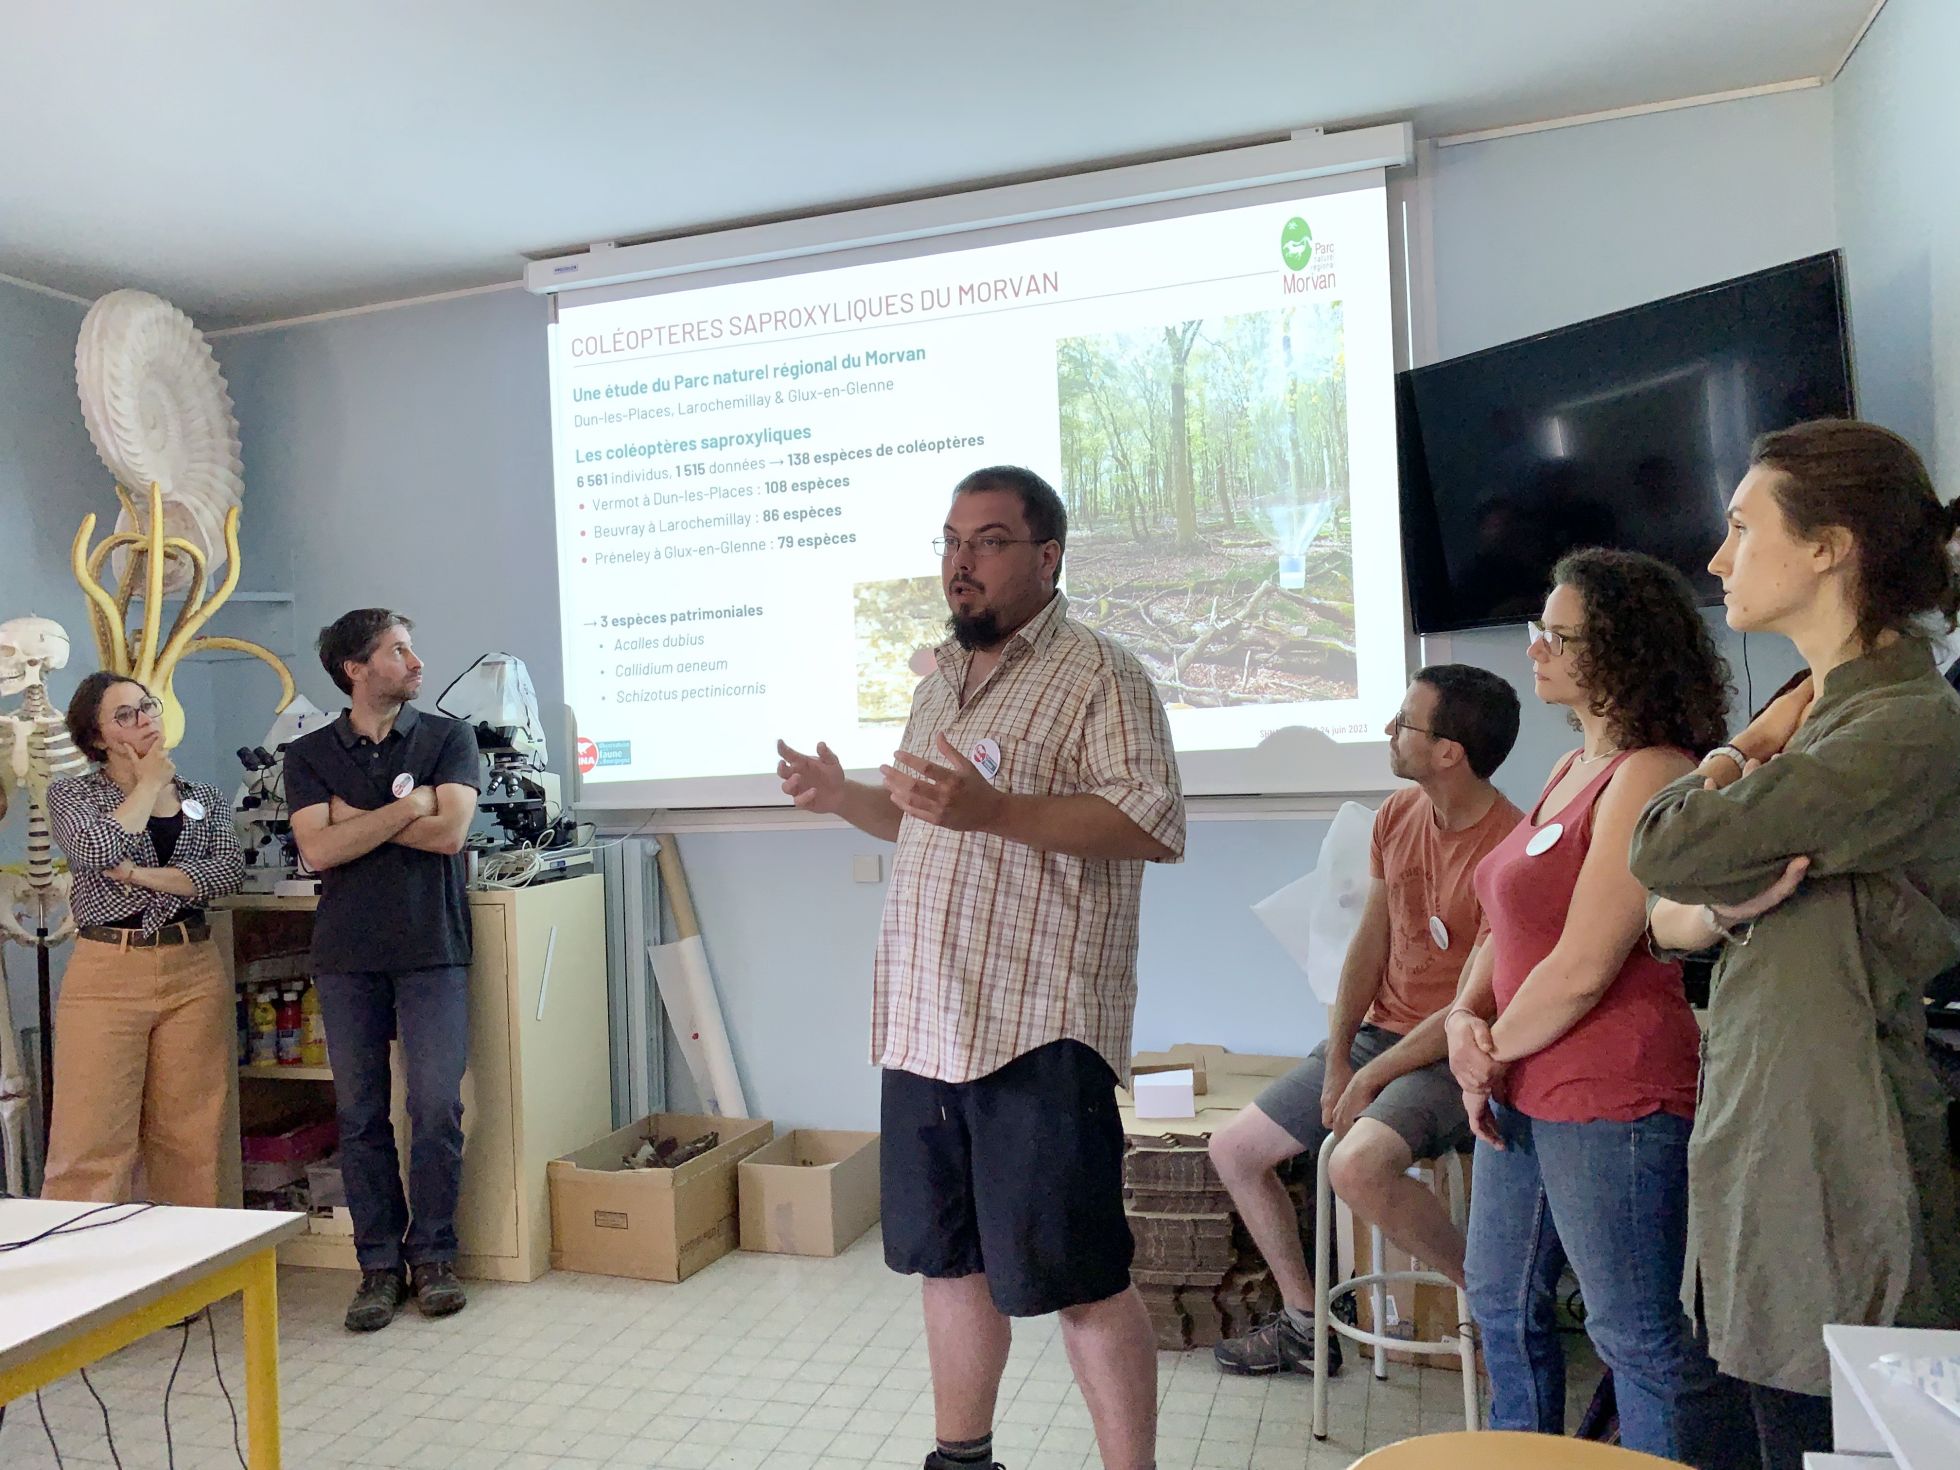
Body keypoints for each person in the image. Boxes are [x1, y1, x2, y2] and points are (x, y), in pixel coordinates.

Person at [776, 465, 1183, 1470]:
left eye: (988, 541)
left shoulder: (1102, 674)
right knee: (947, 1264)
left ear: (1047, 557)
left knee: (1082, 1277)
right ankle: (962, 1461)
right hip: (925, 1024)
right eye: (951, 542)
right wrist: (843, 797)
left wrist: (998, 810)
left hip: (1038, 1027)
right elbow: (921, 817)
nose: (962, 562)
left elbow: (1152, 822)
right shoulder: (938, 683)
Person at [1632, 419, 1960, 1470]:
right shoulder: (1829, 718)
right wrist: (1711, 905)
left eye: (1741, 527)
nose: (1718, 558)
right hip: (1780, 1140)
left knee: (1844, 1443)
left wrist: (1738, 750)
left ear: (1829, 546)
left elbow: (1664, 846)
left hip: (1844, 1165)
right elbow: (1666, 915)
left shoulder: (1898, 726)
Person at [1447, 548, 1730, 1465]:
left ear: (1623, 649)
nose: (1535, 651)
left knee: (1632, 1333)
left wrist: (1485, 1052)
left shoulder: (1652, 772)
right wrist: (1462, 1024)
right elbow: (1503, 924)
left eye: (1559, 637)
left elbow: (1583, 964)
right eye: (1542, 631)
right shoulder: (1572, 764)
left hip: (1613, 1091)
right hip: (1522, 1081)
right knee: (1500, 1301)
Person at [1206, 665, 1522, 1377]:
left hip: (1454, 1052)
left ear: (1449, 751)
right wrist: (1341, 1056)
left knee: (1355, 1166)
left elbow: (1471, 1003)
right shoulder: (1397, 815)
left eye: (1405, 722)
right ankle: (1304, 1323)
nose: (1388, 731)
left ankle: (1499, 1309)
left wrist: (1372, 1074)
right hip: (1381, 1038)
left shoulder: (1509, 847)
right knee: (1235, 1150)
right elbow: (1369, 944)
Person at [284, 610, 481, 1332]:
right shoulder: (308, 753)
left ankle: (433, 1257)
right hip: (348, 957)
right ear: (355, 669)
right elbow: (318, 853)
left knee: (435, 1107)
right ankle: (377, 1268)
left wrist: (354, 818)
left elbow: (450, 833)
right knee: (360, 1114)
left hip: (433, 949)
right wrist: (407, 806)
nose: (416, 661)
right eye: (398, 651)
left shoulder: (448, 738)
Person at [42, 673, 243, 1205]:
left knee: (189, 1136)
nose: (145, 719)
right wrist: (148, 785)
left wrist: (136, 875)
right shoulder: (73, 793)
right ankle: (85, 1255)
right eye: (125, 715)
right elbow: (94, 849)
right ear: (98, 737)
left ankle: (188, 1255)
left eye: (147, 706)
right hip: (108, 969)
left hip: (193, 966)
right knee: (90, 1137)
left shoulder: (203, 797)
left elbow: (226, 872)